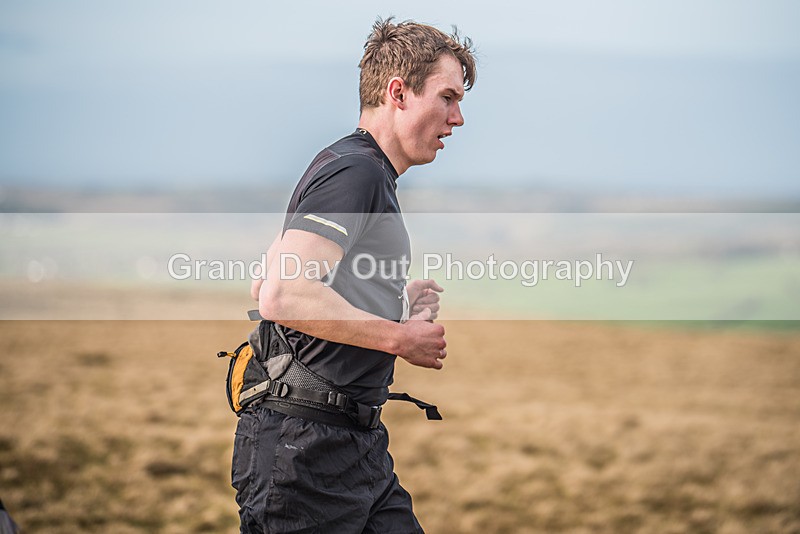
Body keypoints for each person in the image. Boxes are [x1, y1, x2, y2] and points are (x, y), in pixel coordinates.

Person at [235, 17, 477, 533]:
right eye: (448, 98)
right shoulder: (357, 173)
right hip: (303, 458)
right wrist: (400, 337)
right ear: (399, 92)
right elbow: (281, 294)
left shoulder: (349, 164)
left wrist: (390, 297)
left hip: (350, 447)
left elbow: (266, 281)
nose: (458, 118)